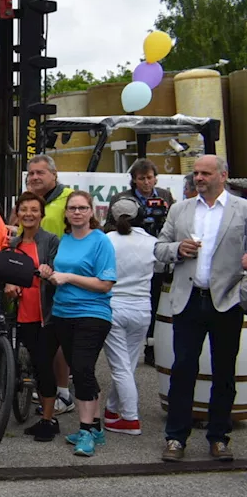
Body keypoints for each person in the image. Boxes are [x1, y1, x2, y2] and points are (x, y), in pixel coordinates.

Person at [155, 154, 247, 462]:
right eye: (196, 173)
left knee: (223, 372)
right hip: (189, 299)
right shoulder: (180, 210)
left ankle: (219, 437)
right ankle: (176, 438)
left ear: (223, 175)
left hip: (227, 300)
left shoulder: (242, 209)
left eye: (205, 173)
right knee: (183, 370)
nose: (199, 178)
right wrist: (177, 249)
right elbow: (158, 249)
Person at [45, 190, 116, 458]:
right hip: (63, 313)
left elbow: (105, 283)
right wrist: (50, 275)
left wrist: (69, 278)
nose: (76, 212)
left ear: (92, 212)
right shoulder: (63, 240)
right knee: (80, 369)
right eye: (72, 208)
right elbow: (58, 273)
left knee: (84, 369)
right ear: (66, 213)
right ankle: (95, 427)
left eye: (82, 208)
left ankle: (86, 431)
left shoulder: (101, 242)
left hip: (92, 313)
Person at [104, 158, 174, 367]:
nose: (146, 182)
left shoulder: (165, 196)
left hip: (156, 251)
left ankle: (152, 346)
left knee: (156, 299)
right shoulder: (121, 198)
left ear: (155, 178)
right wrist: (133, 225)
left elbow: (173, 221)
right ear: (134, 180)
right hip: (131, 254)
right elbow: (108, 225)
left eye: (149, 178)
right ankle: (126, 341)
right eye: (141, 179)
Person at [8, 193, 61, 441]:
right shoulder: (13, 244)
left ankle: (49, 420)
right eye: (23, 209)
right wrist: (10, 284)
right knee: (29, 363)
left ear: (42, 214)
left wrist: (49, 271)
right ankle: (43, 414)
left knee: (43, 365)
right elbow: (7, 272)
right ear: (17, 214)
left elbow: (57, 271)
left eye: (34, 210)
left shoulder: (51, 241)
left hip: (45, 314)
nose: (28, 214)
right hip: (21, 312)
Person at [102, 196, 156, 436]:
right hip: (142, 308)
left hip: (114, 306)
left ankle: (130, 418)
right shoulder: (152, 241)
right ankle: (113, 409)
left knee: (121, 367)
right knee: (128, 365)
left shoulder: (107, 240)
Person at [25, 154, 75, 412]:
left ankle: (63, 393)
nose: (34, 177)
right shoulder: (28, 201)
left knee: (57, 338)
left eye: (40, 173)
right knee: (39, 338)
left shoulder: (69, 199)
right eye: (31, 173)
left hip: (59, 277)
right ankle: (45, 387)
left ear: (54, 175)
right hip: (31, 277)